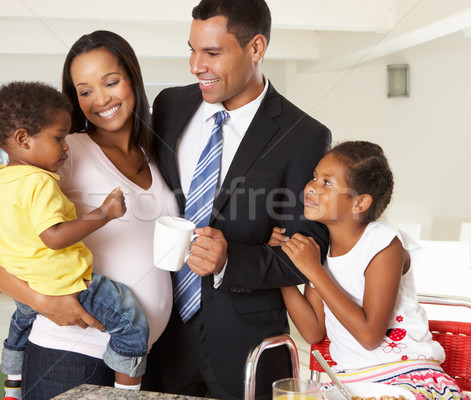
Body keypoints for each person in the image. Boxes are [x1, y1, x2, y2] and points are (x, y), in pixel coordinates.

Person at [0, 31, 179, 400]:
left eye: (111, 82)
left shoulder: (153, 156)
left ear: (132, 78)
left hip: (140, 357)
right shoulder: (65, 152)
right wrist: (45, 302)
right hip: (69, 354)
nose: (101, 99)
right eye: (84, 91)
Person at [142, 1, 332, 398]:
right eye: (192, 50)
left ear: (256, 48)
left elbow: (308, 249)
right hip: (163, 334)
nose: (196, 65)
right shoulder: (169, 106)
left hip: (245, 343)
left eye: (212, 53)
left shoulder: (303, 137)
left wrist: (231, 260)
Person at [270, 141, 468, 400]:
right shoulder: (321, 252)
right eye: (314, 177)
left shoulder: (383, 243)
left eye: (327, 183)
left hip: (405, 375)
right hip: (349, 383)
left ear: (359, 203)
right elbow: (313, 331)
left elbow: (370, 335)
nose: (311, 187)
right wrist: (282, 265)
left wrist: (314, 270)